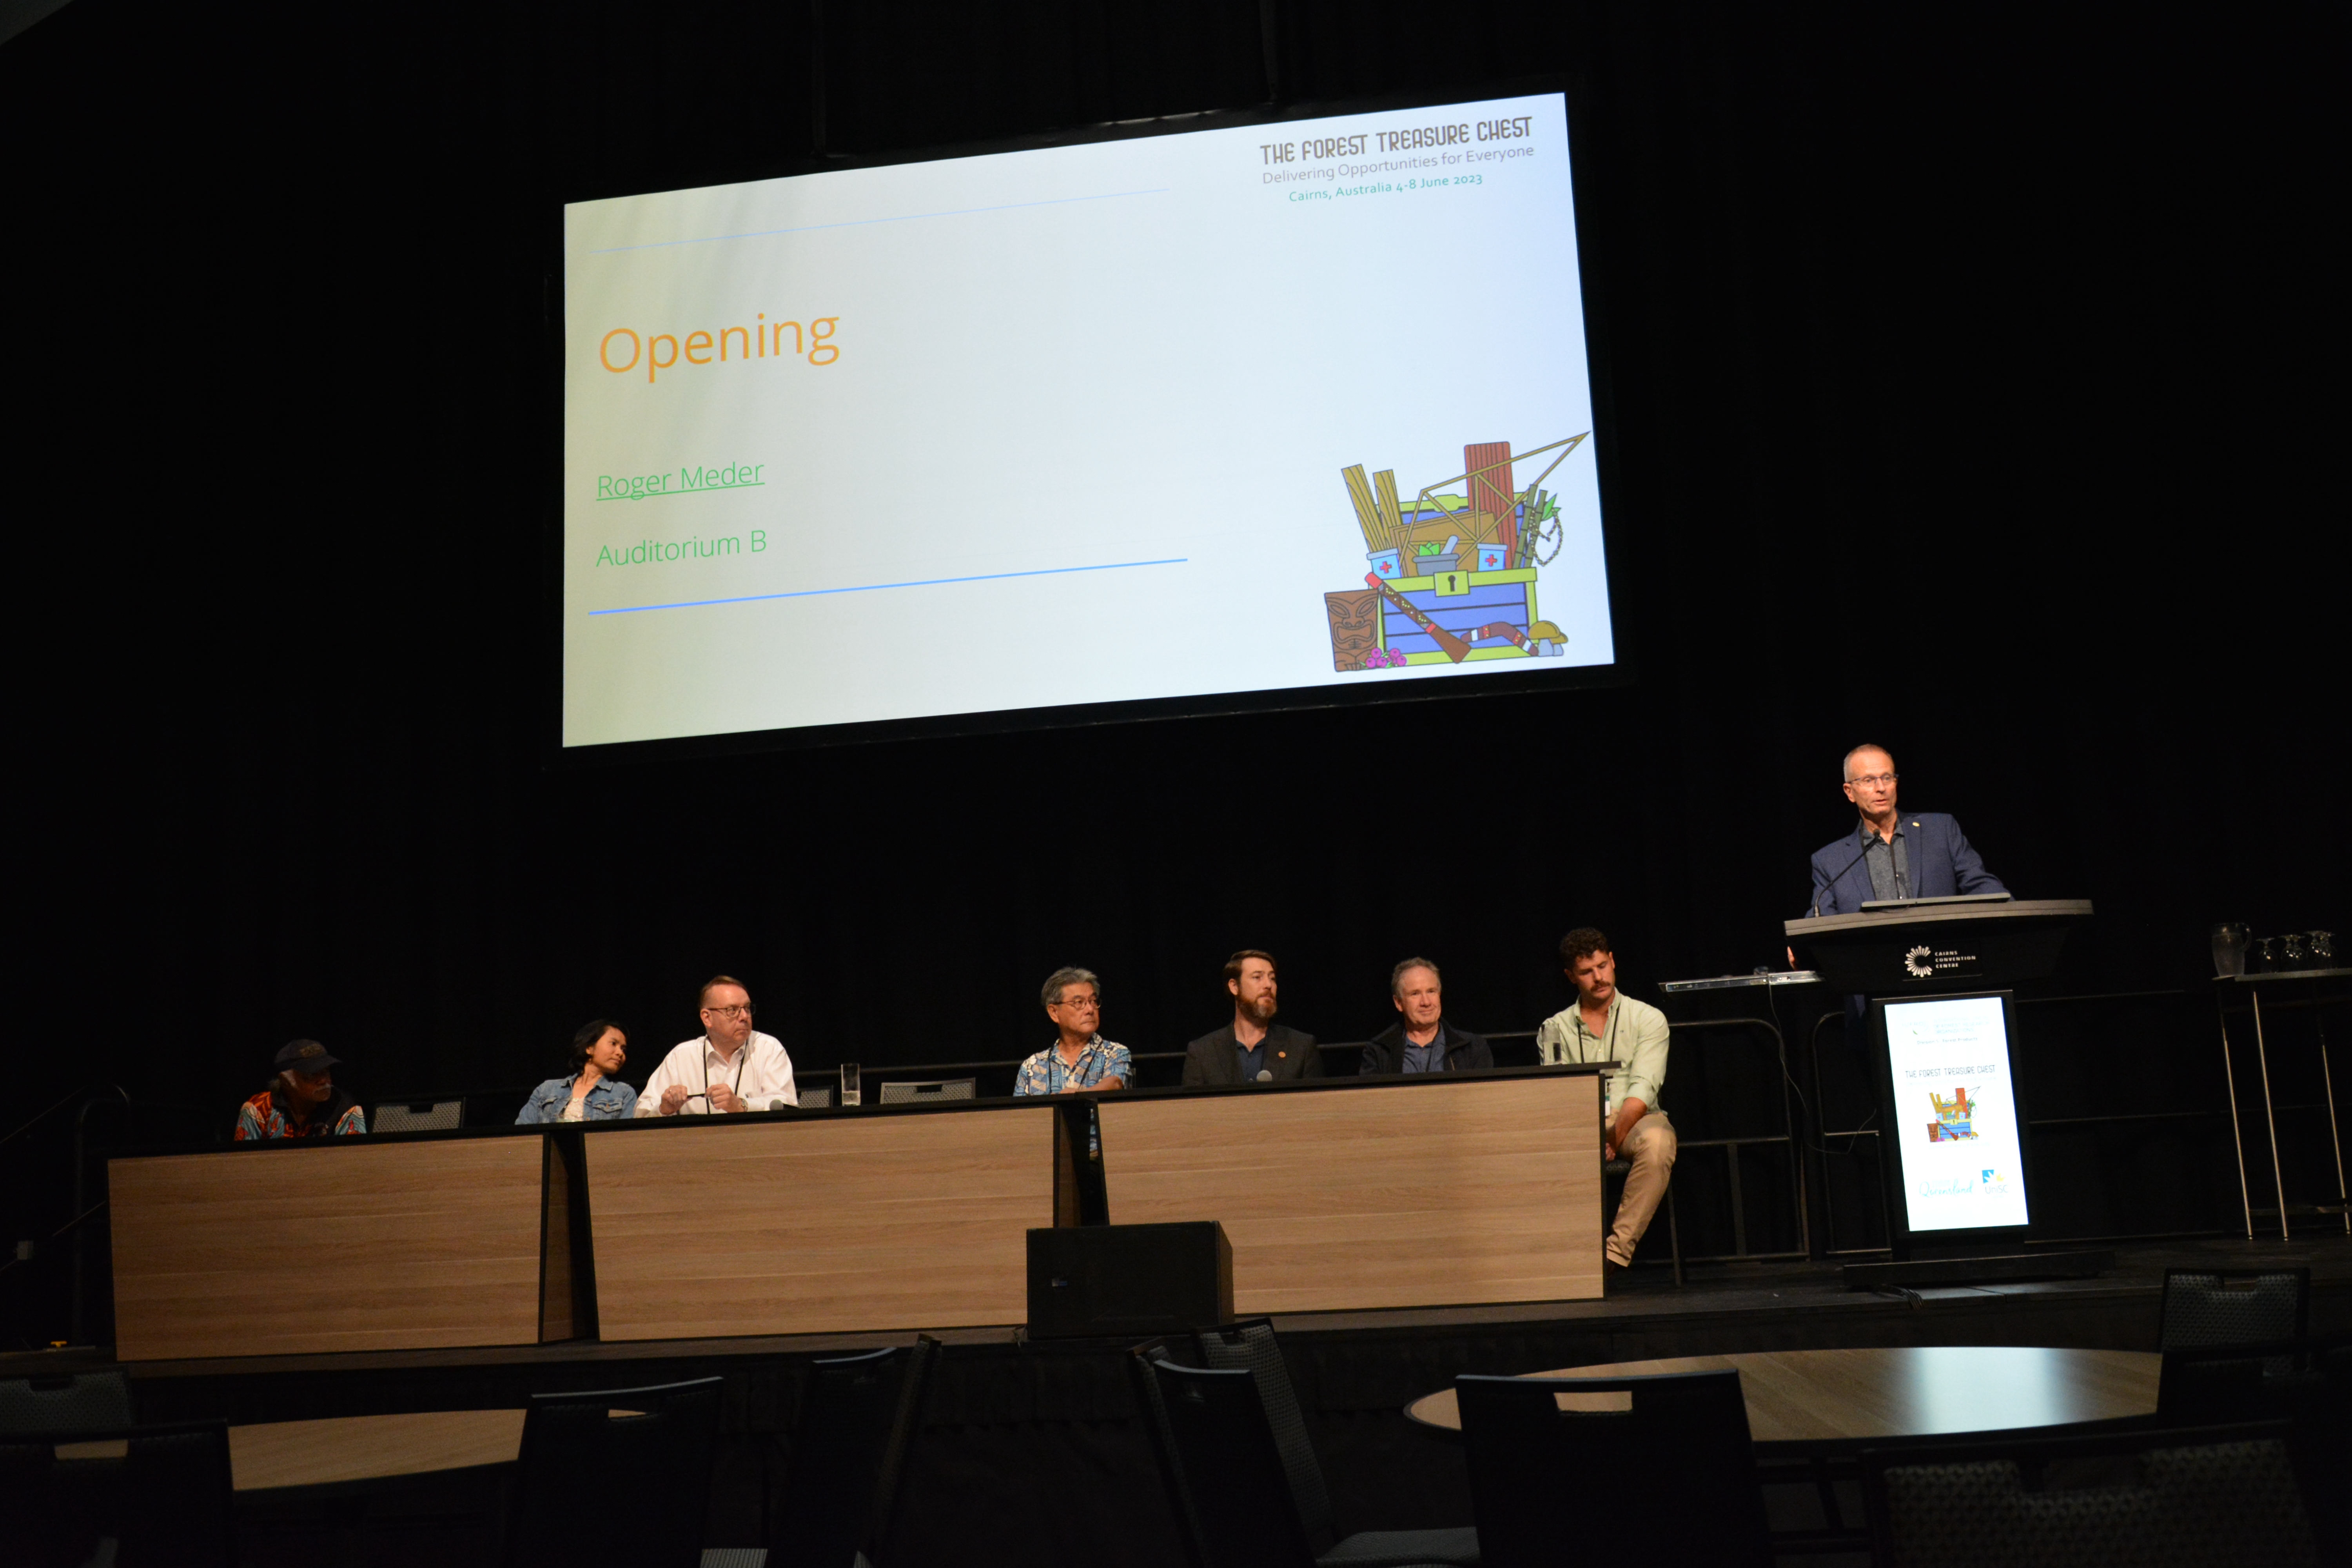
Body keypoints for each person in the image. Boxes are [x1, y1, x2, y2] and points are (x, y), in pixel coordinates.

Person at [1535, 929, 1676, 1271]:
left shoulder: (1647, 1018)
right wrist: (1591, 1135)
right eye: (1587, 972)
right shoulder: (1554, 1028)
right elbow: (1560, 1095)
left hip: (1637, 1118)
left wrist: (1612, 1138)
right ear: (1571, 976)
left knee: (1659, 1143)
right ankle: (1555, 1260)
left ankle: (1613, 1256)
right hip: (1579, 1123)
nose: (1598, 978)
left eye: (1602, 966)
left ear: (1612, 961)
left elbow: (1643, 1089)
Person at [1806, 743, 2007, 916]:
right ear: (1850, 792)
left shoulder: (1940, 831)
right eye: (1868, 780)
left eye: (1887, 778)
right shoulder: (1831, 861)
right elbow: (1820, 918)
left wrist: (2011, 916)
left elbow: (1979, 884)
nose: (1881, 788)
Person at [635, 975, 797, 1116]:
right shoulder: (681, 1057)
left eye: (747, 1008)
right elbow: (641, 1112)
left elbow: (786, 1107)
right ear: (707, 1018)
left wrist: (741, 1106)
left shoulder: (769, 1049)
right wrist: (664, 1109)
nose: (744, 1016)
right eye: (732, 1010)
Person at [1183, 950, 1323, 1085]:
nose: (1268, 985)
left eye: (1272, 978)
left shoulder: (1301, 1047)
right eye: (1257, 977)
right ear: (1234, 987)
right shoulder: (1203, 1052)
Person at [1359, 958, 1492, 1074]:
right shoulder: (1378, 1052)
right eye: (1415, 994)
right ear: (1399, 1003)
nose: (1426, 1002)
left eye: (1431, 991)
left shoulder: (1473, 1048)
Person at [1013, 968, 1133, 1095]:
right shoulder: (1033, 1066)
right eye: (1079, 1003)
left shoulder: (1114, 1053)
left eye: (1093, 1001)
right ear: (1054, 1013)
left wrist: (1075, 1097)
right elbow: (1020, 1108)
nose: (1090, 1010)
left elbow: (1115, 1084)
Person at [235, 1040, 368, 1139]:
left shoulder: (345, 1109)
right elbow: (244, 1163)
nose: (324, 1081)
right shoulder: (258, 1109)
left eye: (326, 1071)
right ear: (286, 1081)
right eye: (312, 1074)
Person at [517, 1019, 639, 1123]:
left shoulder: (624, 1093)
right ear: (589, 1048)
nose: (620, 1053)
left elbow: (625, 1138)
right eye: (613, 1044)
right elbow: (523, 1133)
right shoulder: (547, 1089)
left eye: (623, 1049)